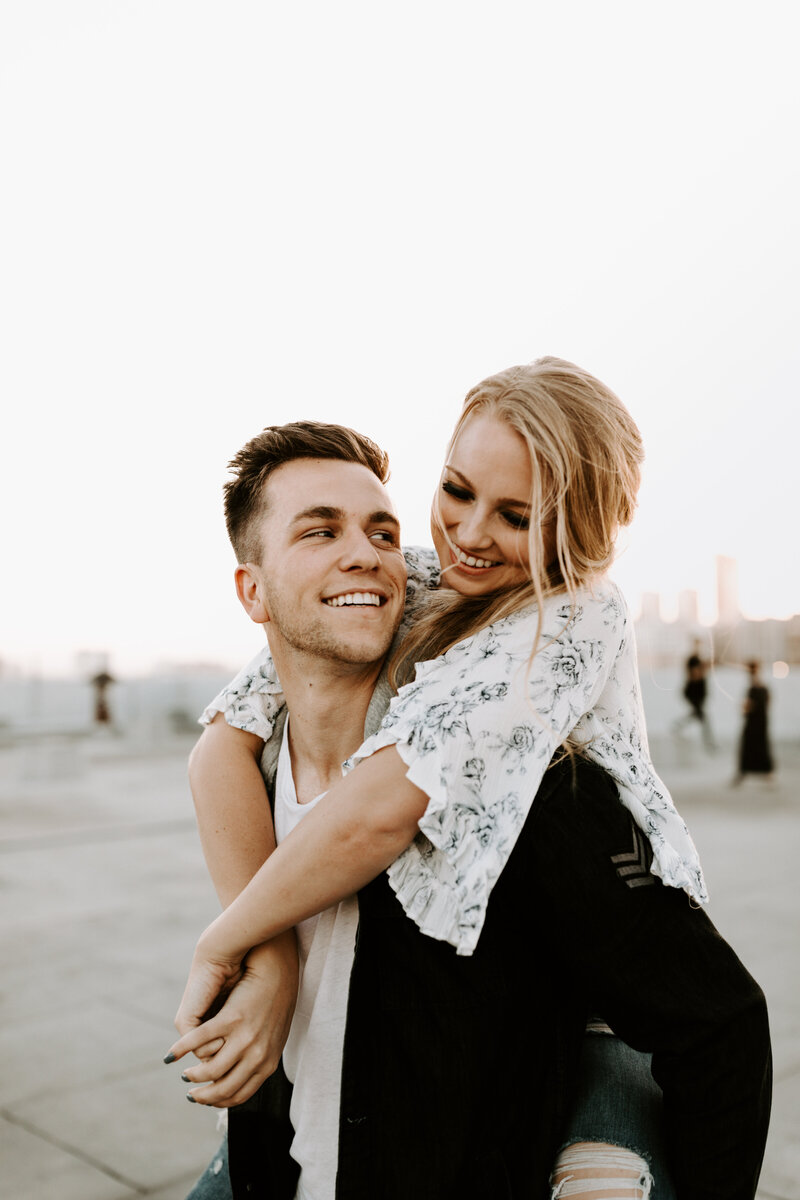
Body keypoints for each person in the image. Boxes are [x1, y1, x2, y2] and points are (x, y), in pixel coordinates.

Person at [169, 363, 770, 1197]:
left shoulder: (572, 621)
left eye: (517, 517)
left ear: (572, 538)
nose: (468, 534)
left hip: (601, 937)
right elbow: (219, 742)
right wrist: (269, 954)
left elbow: (379, 816)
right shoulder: (412, 585)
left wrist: (226, 939)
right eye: (454, 490)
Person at [732, 660, 775, 785]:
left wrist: (746, 708)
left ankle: (766, 772)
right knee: (750, 746)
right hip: (755, 722)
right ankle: (748, 772)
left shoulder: (759, 688)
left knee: (759, 746)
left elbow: (758, 705)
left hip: (759, 722)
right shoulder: (755, 688)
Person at [672, 638, 715, 750]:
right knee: (702, 716)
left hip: (698, 693)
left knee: (698, 715)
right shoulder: (693, 660)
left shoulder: (698, 660)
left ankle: (678, 725)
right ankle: (708, 743)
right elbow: (694, 675)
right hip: (694, 692)